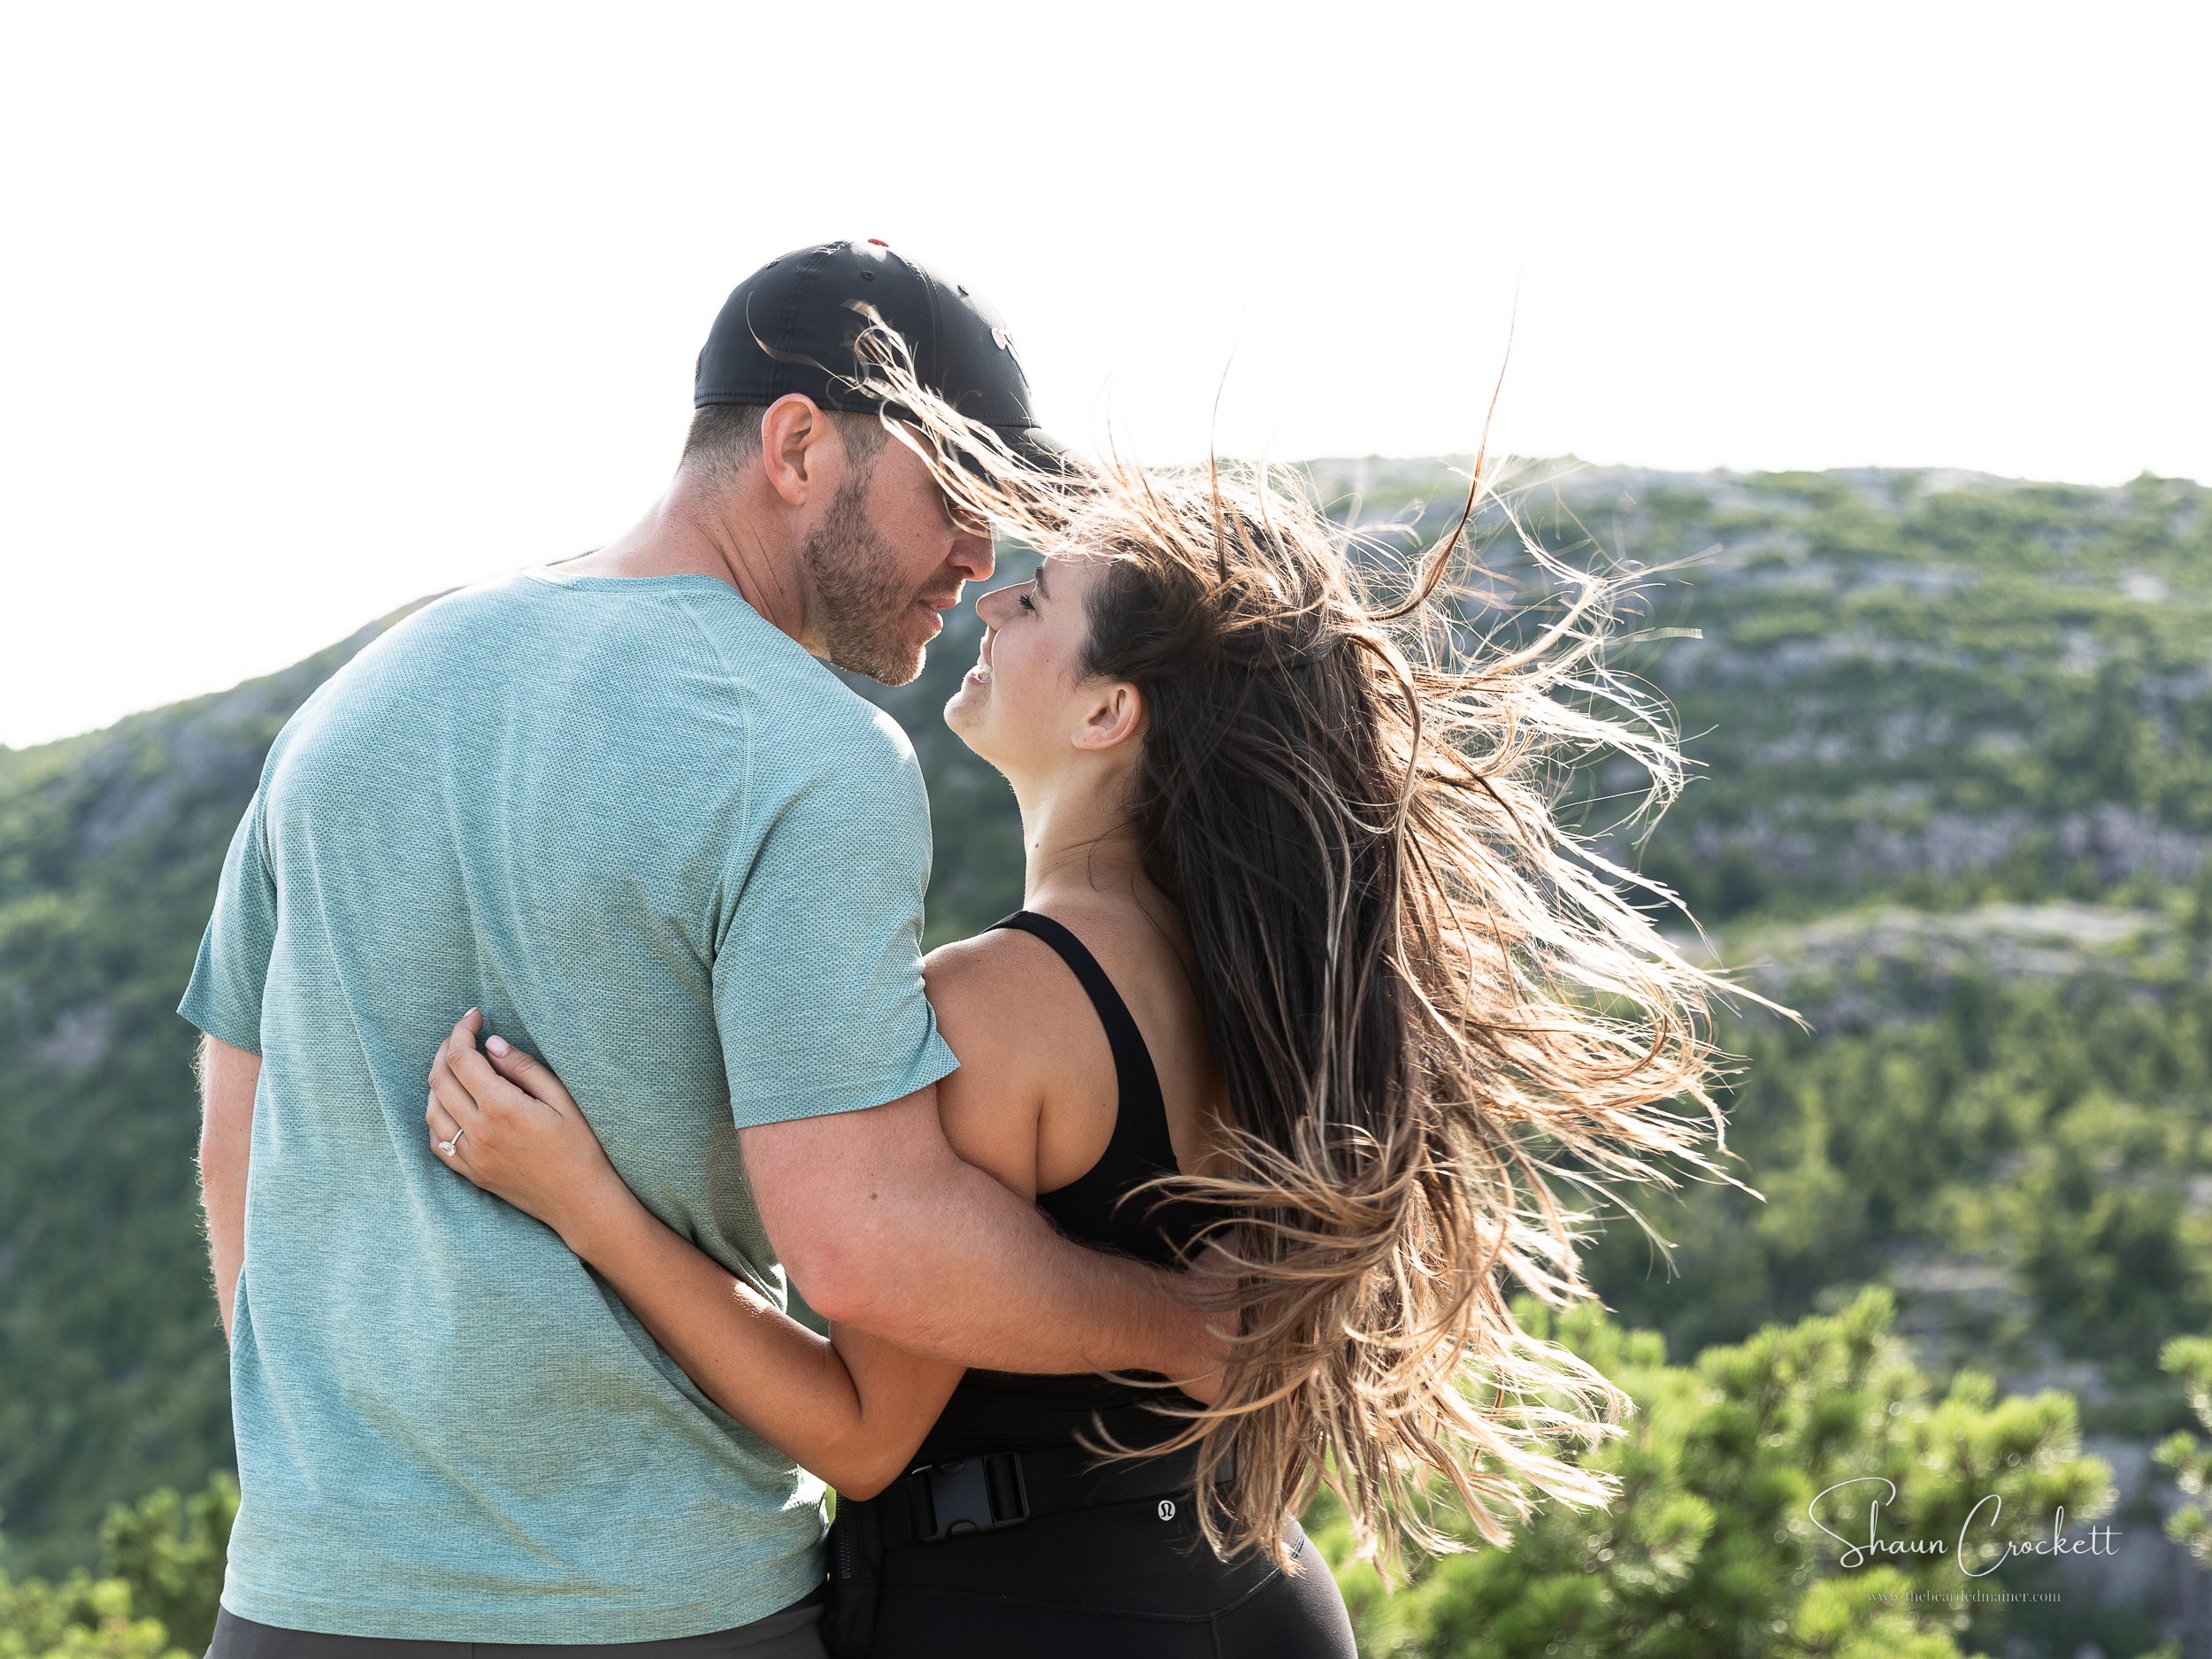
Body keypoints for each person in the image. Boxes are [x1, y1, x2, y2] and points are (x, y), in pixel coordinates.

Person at [421, 334, 1731, 1655]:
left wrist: (588, 1205)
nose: (991, 600)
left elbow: (858, 1436)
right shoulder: (1260, 985)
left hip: (1032, 1612)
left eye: (1037, 602)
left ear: (1111, 713)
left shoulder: (997, 1010)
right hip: (1254, 1594)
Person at [180, 242, 1221, 1659]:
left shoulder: (354, 701)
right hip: (663, 1612)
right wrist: (1177, 1321)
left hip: (300, 1599)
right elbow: (865, 1250)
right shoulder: (811, 755)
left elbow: (233, 1134)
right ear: (799, 444)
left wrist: (329, 1485)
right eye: (960, 500)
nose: (982, 560)